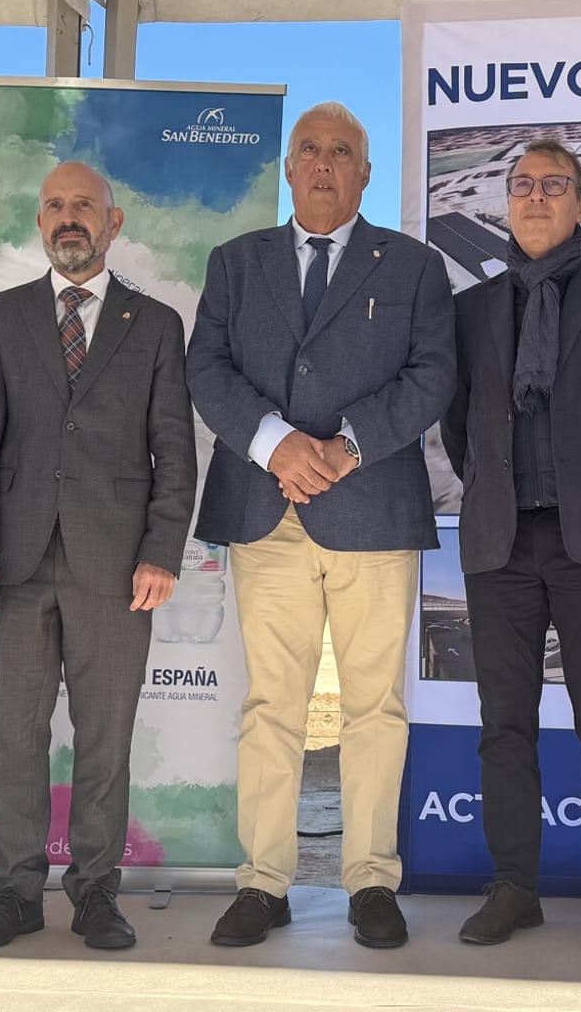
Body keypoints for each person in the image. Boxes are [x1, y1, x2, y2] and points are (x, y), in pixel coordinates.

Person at [189, 101, 454, 949]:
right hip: (266, 510)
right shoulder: (236, 263)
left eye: (342, 151)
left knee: (375, 706)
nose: (325, 162)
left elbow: (433, 375)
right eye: (310, 149)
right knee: (273, 704)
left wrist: (344, 448)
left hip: (372, 510)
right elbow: (207, 367)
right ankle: (262, 884)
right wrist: (275, 444)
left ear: (365, 173)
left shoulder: (414, 266)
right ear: (289, 167)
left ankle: (371, 880)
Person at [0, 161, 196, 952]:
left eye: (83, 205)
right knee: (12, 738)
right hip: (11, 567)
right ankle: (16, 894)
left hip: (118, 568)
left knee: (105, 738)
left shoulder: (155, 325)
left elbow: (174, 451)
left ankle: (96, 894)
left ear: (112, 222)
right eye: (54, 205)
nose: (68, 217)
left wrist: (162, 551)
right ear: (39, 222)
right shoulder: (2, 316)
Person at [439, 138, 581, 953]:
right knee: (505, 727)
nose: (535, 198)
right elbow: (459, 425)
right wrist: (496, 488)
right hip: (501, 543)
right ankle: (514, 888)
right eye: (522, 185)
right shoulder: (472, 309)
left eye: (553, 186)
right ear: (507, 202)